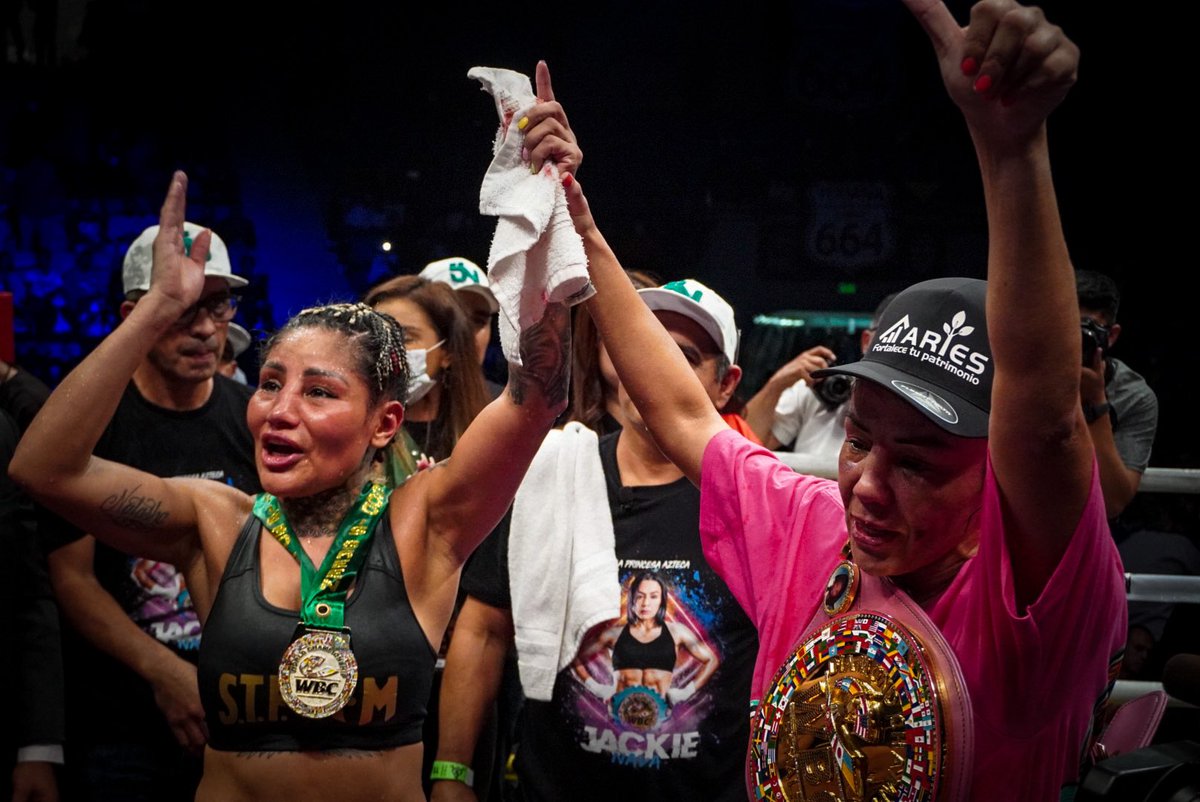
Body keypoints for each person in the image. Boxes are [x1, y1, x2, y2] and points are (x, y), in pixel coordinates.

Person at [557, 2, 1125, 799]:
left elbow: (1049, 419)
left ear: (995, 470)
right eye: (860, 440)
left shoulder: (1028, 589)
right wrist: (579, 225)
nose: (867, 483)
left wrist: (1012, 149)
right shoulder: (811, 525)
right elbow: (684, 414)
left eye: (920, 463)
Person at [11, 97, 576, 802]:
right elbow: (44, 468)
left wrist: (545, 206)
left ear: (383, 422)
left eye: (318, 392)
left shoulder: (425, 521)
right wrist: (156, 307)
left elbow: (540, 391)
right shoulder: (215, 523)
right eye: (271, 384)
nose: (279, 410)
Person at [431, 278, 758, 802]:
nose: (651, 371)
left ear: (725, 384)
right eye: (640, 348)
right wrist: (451, 774)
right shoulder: (549, 477)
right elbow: (484, 630)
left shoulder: (752, 506)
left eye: (683, 357)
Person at [41, 219, 257, 802]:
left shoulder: (253, 416)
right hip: (121, 719)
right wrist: (165, 673)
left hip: (237, 710)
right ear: (132, 314)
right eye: (185, 308)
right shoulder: (93, 421)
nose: (208, 329)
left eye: (221, 306)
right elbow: (72, 577)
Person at [743, 291, 897, 463]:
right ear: (867, 341)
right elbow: (743, 446)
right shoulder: (823, 388)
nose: (896, 348)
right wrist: (777, 383)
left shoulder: (918, 411)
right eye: (891, 336)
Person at [364, 274, 491, 478]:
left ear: (447, 351)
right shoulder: (353, 431)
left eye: (404, 337)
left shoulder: (484, 428)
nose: (387, 349)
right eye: (375, 336)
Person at [1075, 268, 1158, 519]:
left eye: (1087, 331)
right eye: (1066, 328)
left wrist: (1096, 403)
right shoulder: (1021, 374)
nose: (1076, 341)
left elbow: (1112, 502)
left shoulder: (1135, 397)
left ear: (1110, 336)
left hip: (1088, 524)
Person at [568, 268, 660, 434]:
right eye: (624, 331)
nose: (640, 346)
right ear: (593, 339)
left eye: (649, 333)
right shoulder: (561, 447)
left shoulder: (685, 447)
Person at [419, 257, 500, 374]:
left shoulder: (504, 392)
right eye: (451, 317)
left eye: (479, 321)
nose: (465, 331)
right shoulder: (387, 391)